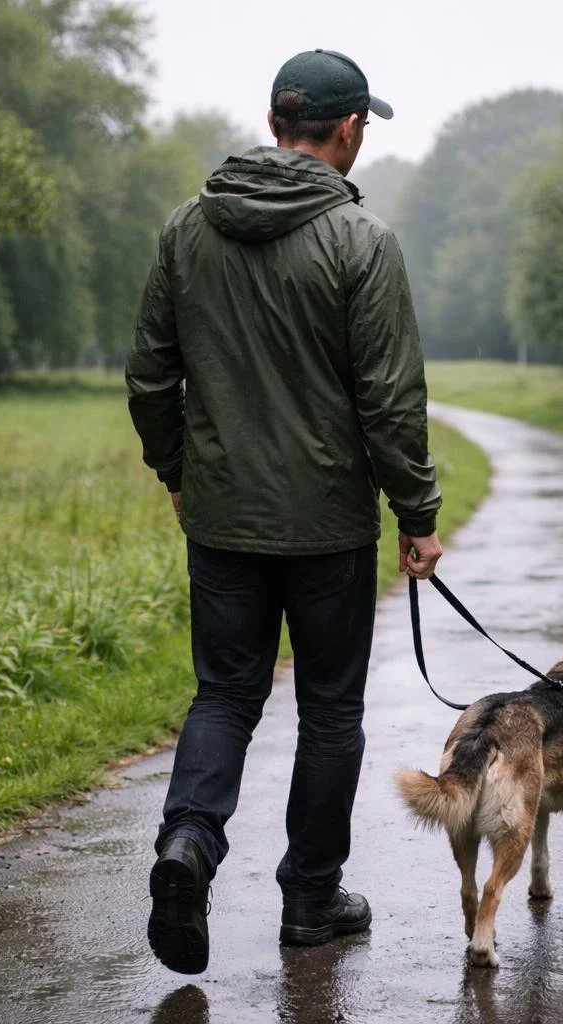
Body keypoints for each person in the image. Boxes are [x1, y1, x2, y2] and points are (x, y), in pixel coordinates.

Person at [125, 48, 443, 976]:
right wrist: (417, 513)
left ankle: (188, 844)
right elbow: (391, 399)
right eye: (361, 129)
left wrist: (179, 470)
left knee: (226, 693)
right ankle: (310, 900)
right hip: (328, 531)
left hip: (222, 523)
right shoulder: (363, 242)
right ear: (345, 131)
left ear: (276, 123)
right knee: (330, 712)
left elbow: (150, 375)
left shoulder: (188, 228)